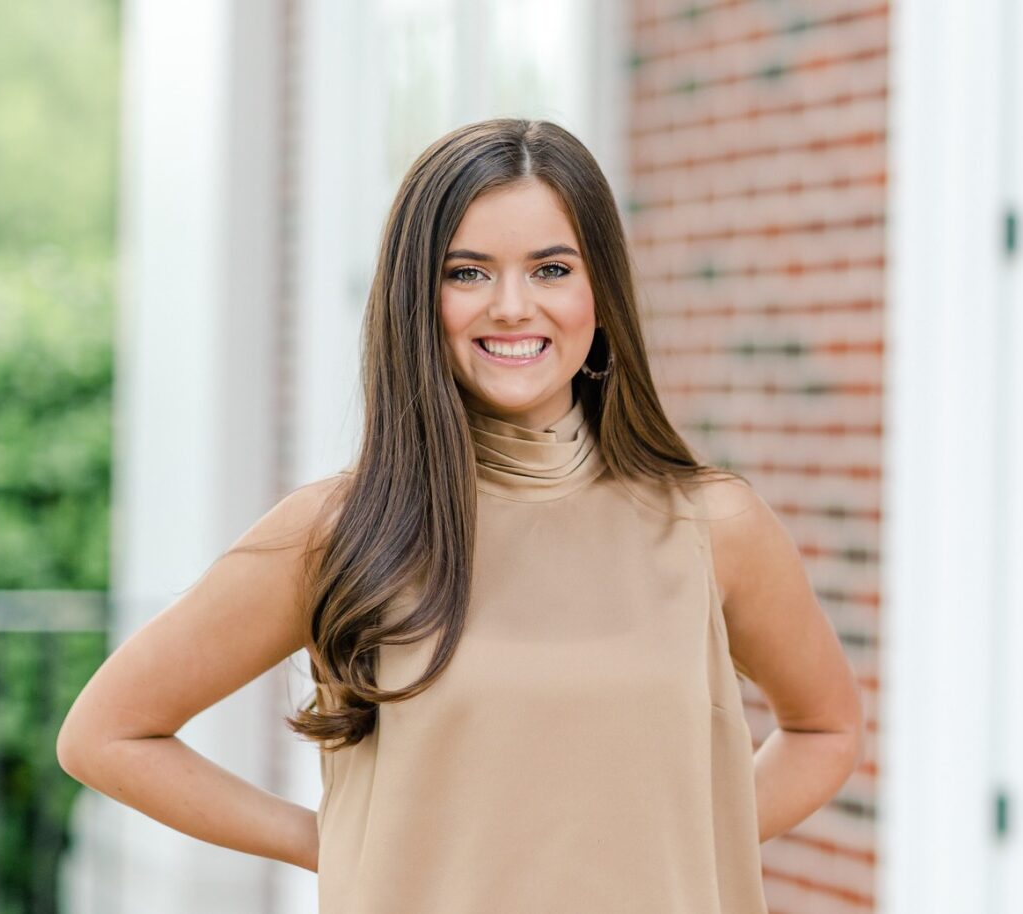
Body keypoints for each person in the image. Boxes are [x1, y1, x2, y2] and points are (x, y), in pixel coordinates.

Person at [57, 117, 864, 912]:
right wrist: (332, 841)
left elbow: (825, 730)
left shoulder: (712, 525)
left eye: (551, 269)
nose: (512, 306)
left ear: (603, 293)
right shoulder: (340, 531)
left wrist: (686, 844)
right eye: (467, 272)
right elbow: (107, 735)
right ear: (418, 298)